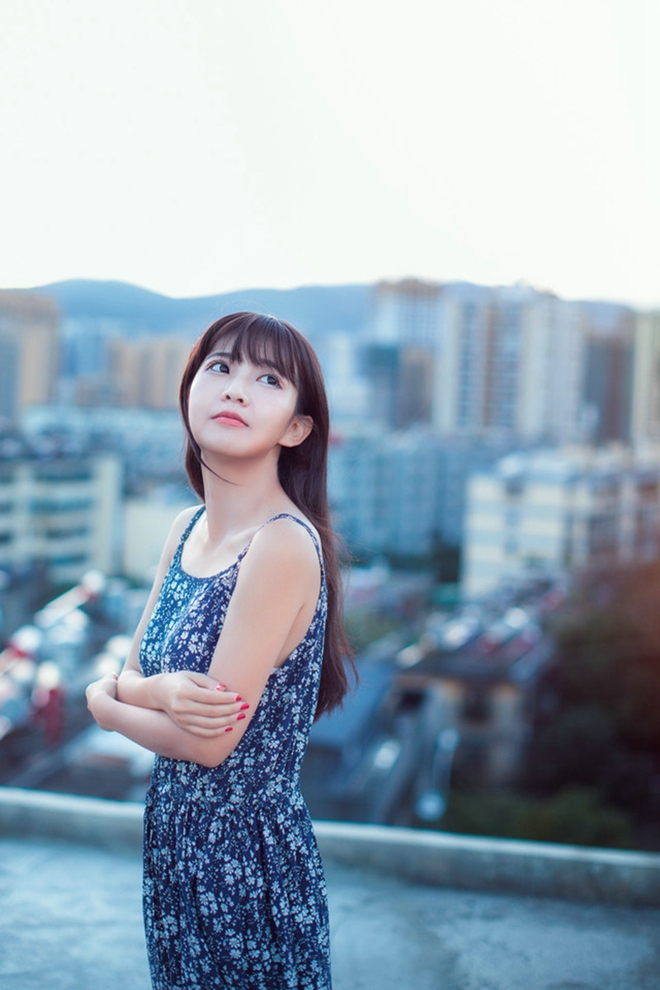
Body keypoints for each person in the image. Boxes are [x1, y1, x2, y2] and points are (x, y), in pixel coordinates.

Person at [86, 312, 352, 990]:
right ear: (189, 393)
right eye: (221, 368)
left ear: (296, 428)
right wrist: (155, 692)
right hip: (174, 847)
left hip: (245, 864)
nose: (236, 389)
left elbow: (209, 745)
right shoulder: (187, 528)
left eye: (268, 379)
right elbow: (136, 669)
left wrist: (106, 706)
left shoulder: (284, 545)